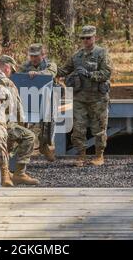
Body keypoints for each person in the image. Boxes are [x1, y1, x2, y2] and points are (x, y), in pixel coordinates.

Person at [57, 26, 112, 167]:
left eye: (88, 37)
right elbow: (64, 70)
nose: (86, 40)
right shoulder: (77, 56)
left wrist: (90, 74)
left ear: (94, 37)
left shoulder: (101, 53)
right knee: (78, 129)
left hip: (98, 98)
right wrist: (49, 67)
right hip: (79, 98)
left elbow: (106, 73)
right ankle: (81, 156)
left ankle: (99, 156)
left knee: (99, 129)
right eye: (83, 38)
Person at [0, 55, 39, 185]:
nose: (12, 73)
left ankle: (6, 171)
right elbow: (16, 106)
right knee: (29, 136)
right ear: (7, 66)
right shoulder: (5, 82)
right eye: (12, 70)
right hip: (3, 123)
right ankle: (19, 174)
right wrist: (22, 124)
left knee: (13, 137)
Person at [19, 44, 57, 161]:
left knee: (47, 126)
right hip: (30, 99)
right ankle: (24, 154)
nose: (34, 58)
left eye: (36, 56)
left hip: (47, 100)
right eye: (32, 56)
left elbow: (51, 73)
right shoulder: (25, 66)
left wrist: (37, 74)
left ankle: (44, 146)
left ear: (43, 55)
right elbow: (18, 76)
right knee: (27, 127)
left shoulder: (50, 64)